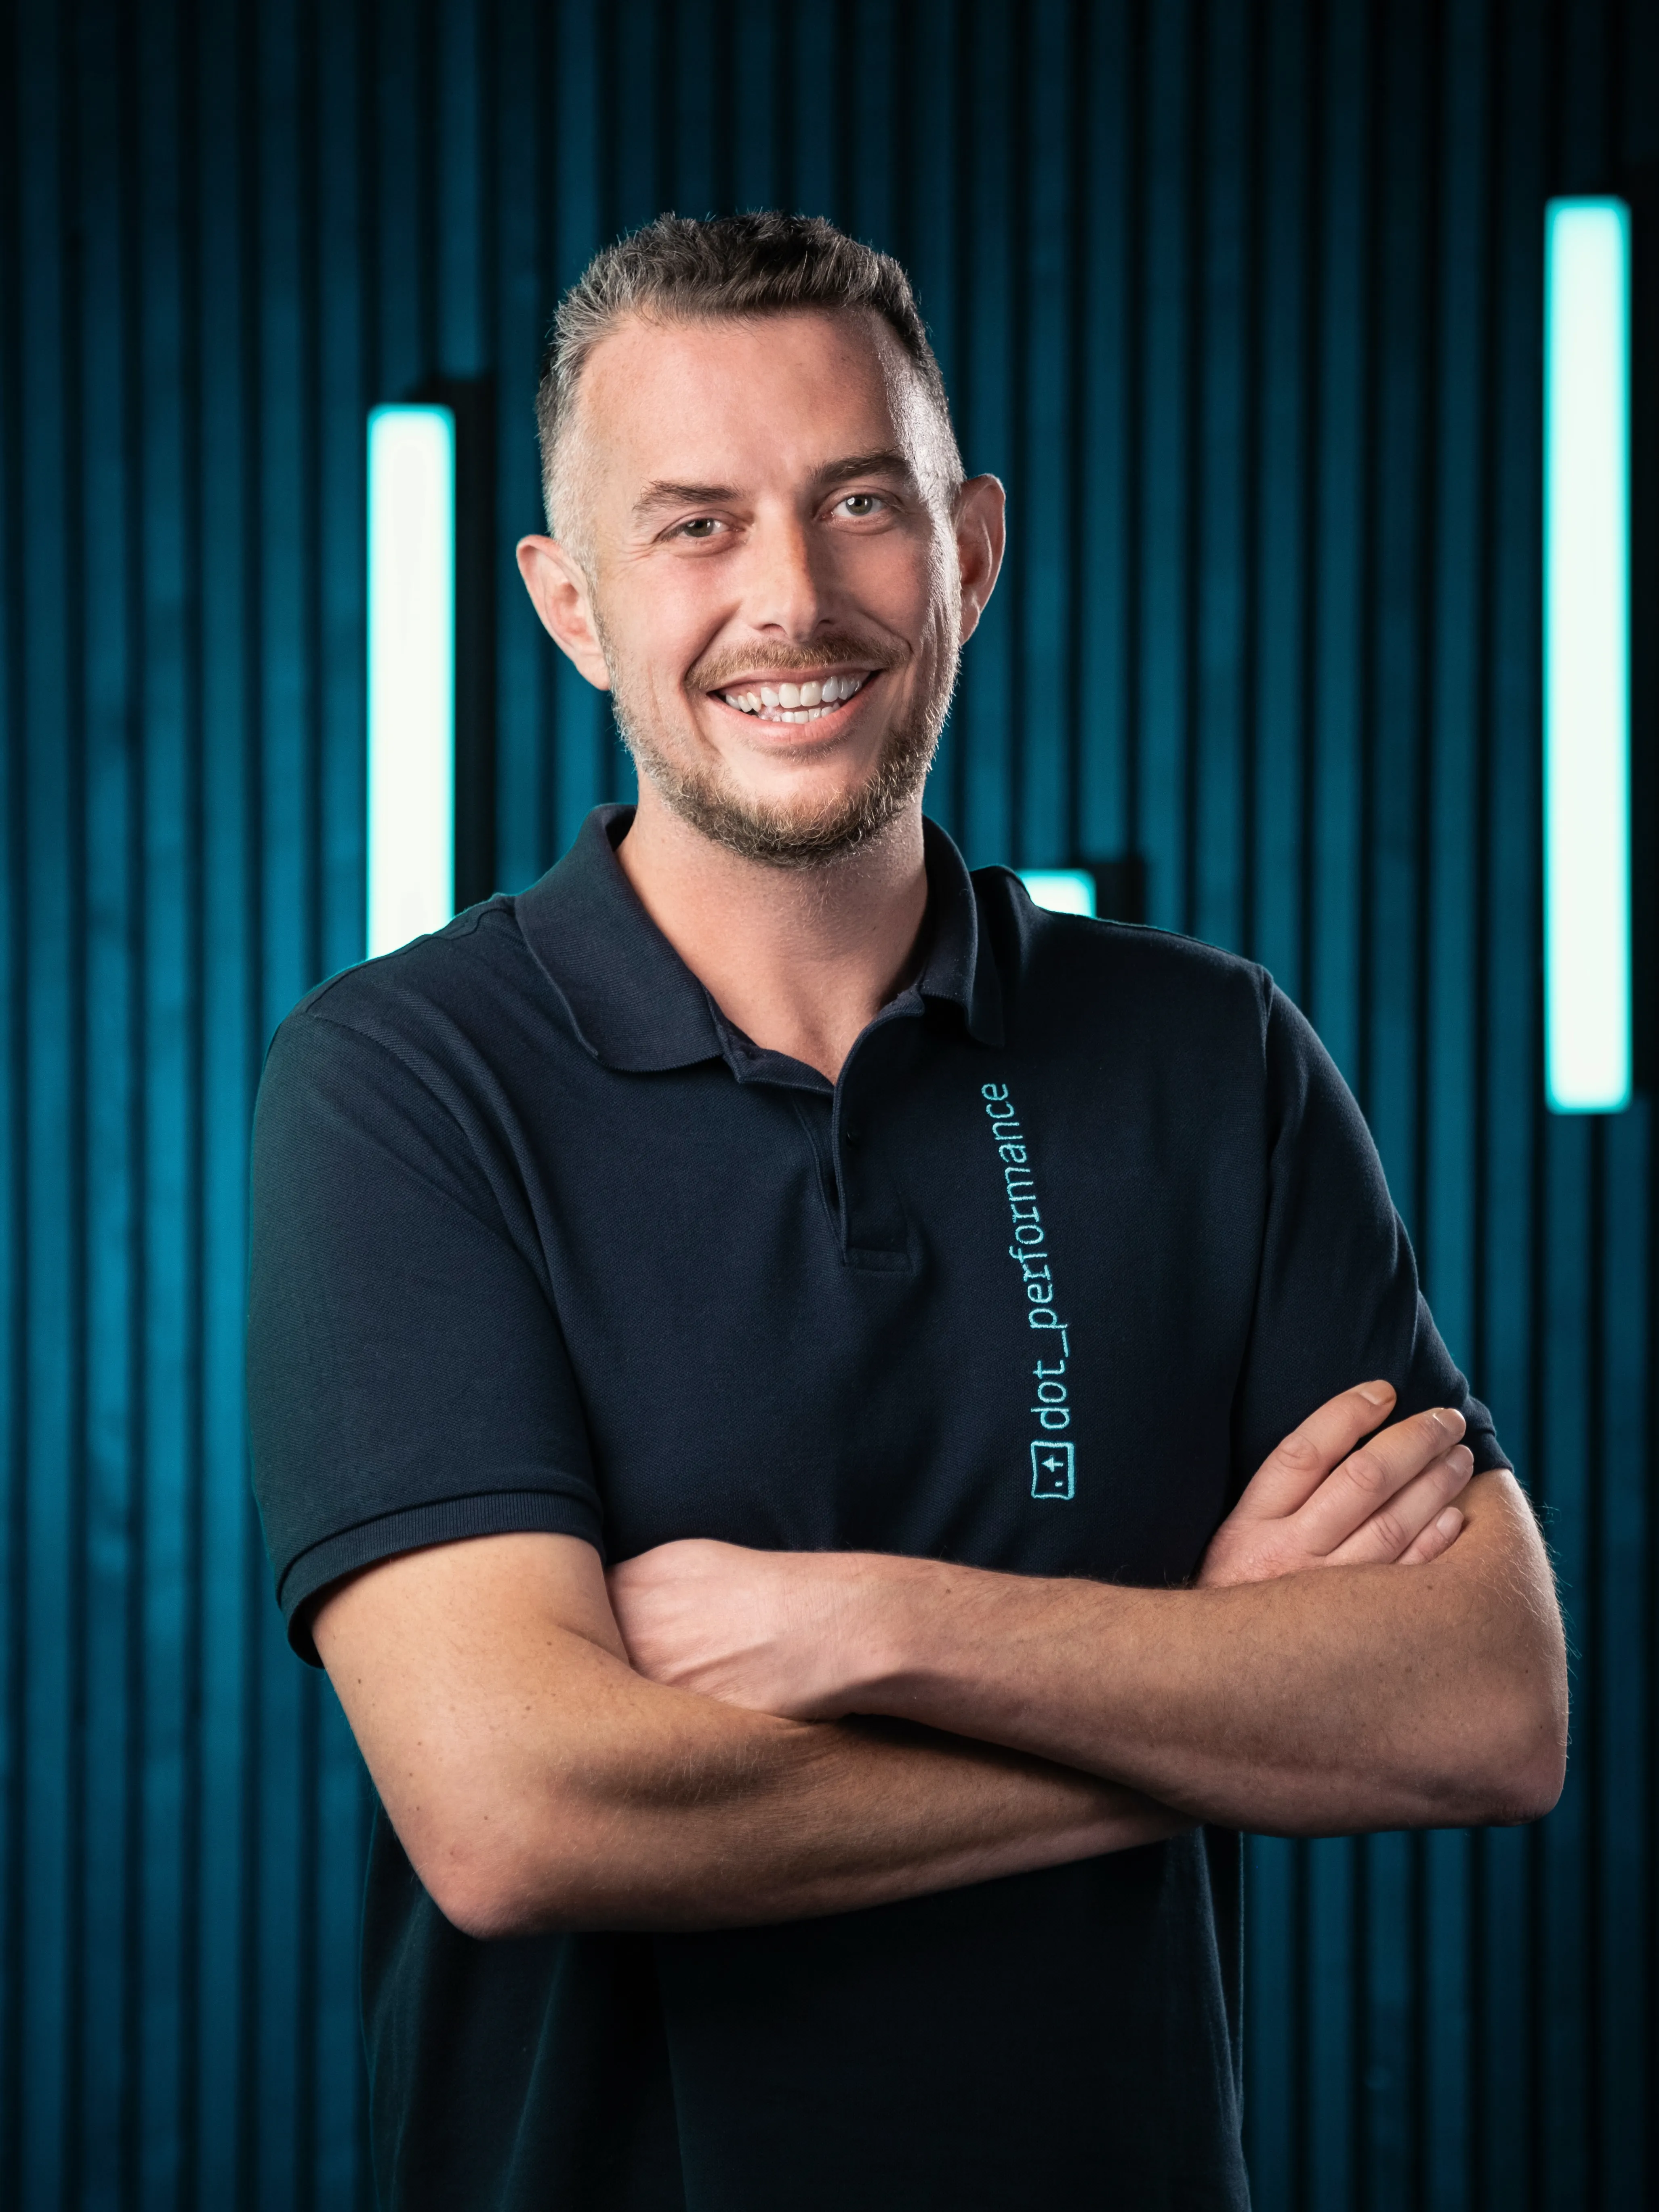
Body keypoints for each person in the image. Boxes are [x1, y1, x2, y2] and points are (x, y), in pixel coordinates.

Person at [247, 213, 1566, 2211]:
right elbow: (520, 1809)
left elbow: (1486, 1704)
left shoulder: (1212, 1057)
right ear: (571, 603)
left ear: (968, 551)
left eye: (859, 501)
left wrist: (869, 1623)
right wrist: (1209, 1689)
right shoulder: (407, 1082)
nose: (791, 595)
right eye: (692, 522)